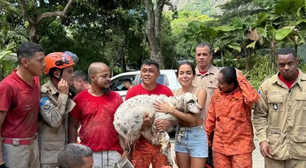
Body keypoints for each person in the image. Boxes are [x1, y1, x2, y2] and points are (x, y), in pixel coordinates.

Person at [254, 48, 306, 168]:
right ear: (277, 64)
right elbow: (259, 115)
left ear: (297, 61)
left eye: (290, 63)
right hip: (274, 149)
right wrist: (263, 140)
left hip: (301, 150)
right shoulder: (267, 86)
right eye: (281, 65)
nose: (286, 68)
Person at [153, 61, 208, 168]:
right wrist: (167, 122)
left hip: (196, 135)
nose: (184, 76)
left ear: (193, 75)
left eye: (188, 73)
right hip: (180, 135)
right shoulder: (173, 93)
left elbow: (192, 119)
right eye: (181, 73)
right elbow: (171, 118)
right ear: (177, 76)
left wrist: (171, 110)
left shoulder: (200, 92)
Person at [68, 62, 124, 168]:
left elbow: (123, 126)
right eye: (104, 76)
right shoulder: (79, 99)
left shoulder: (117, 98)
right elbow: (72, 126)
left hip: (115, 153)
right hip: (89, 154)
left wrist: (126, 151)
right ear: (92, 77)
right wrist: (73, 150)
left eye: (109, 76)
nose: (108, 79)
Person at [0, 42, 45, 168]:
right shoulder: (8, 86)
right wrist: (0, 161)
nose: (44, 64)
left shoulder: (36, 80)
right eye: (40, 61)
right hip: (14, 149)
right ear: (25, 62)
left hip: (33, 144)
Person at [205, 67, 259, 168]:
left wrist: (241, 78)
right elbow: (211, 117)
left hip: (241, 147)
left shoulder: (243, 94)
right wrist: (206, 136)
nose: (218, 85)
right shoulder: (217, 94)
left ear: (231, 85)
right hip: (220, 146)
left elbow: (253, 98)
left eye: (221, 83)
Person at [125, 59, 175, 168]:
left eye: (151, 71)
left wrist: (169, 123)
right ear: (141, 73)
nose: (147, 74)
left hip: (161, 143)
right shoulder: (133, 92)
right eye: (144, 71)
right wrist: (141, 124)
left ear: (158, 74)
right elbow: (127, 120)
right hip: (140, 143)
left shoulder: (166, 91)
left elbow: (173, 115)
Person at [38, 51, 79, 168]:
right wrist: (63, 96)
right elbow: (55, 121)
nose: (73, 75)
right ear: (57, 73)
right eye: (69, 72)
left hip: (64, 157)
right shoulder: (43, 94)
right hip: (48, 159)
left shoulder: (67, 92)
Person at [193, 42, 220, 167]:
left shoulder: (220, 76)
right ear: (195, 56)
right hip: (194, 129)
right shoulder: (189, 75)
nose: (201, 57)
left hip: (215, 131)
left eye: (204, 54)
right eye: (199, 54)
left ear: (211, 56)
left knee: (215, 163)